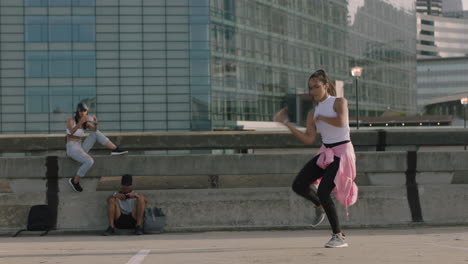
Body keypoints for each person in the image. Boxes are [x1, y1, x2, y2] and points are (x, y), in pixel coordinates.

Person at [274, 69, 358, 248]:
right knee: (298, 184)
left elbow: (341, 122)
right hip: (325, 152)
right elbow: (308, 138)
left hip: (342, 152)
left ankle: (339, 236)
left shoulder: (339, 102)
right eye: (310, 88)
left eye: (316, 87)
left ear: (326, 86)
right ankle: (319, 205)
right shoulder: (313, 113)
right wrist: (287, 124)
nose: (313, 91)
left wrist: (321, 117)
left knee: (324, 190)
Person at [66, 102, 128, 192]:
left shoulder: (85, 124)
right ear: (77, 111)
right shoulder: (71, 121)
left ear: (87, 112)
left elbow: (95, 130)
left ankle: (115, 149)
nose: (82, 112)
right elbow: (71, 132)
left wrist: (95, 123)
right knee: (89, 161)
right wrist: (80, 122)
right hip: (72, 148)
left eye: (84, 111)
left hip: (80, 147)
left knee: (95, 133)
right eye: (81, 111)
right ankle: (75, 181)